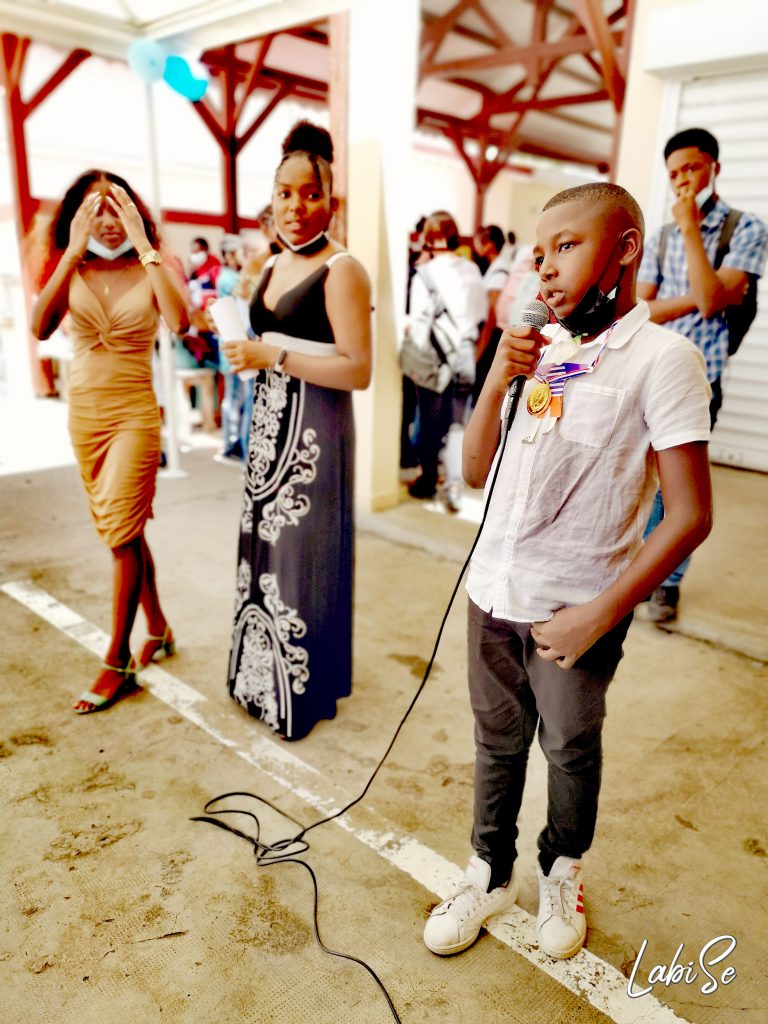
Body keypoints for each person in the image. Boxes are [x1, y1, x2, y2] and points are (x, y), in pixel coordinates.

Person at [423, 183, 712, 961]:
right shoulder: (545, 357)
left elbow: (690, 515)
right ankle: (490, 872)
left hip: (575, 612)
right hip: (492, 592)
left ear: (625, 249)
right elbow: (476, 472)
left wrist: (601, 613)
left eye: (567, 246)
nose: (545, 267)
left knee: (570, 749)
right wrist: (497, 376)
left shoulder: (664, 361)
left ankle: (561, 868)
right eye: (538, 252)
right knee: (497, 742)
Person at [221, 121, 372, 741]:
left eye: (311, 194)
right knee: (263, 555)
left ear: (331, 200)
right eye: (284, 193)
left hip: (314, 436)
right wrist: (247, 351)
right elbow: (265, 342)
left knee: (303, 558)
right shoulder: (272, 262)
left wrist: (273, 356)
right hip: (268, 429)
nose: (296, 206)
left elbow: (358, 370)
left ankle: (299, 696)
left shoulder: (343, 268)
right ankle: (256, 682)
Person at [30, 170, 189, 713]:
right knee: (128, 531)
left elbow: (180, 320)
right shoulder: (71, 265)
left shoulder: (151, 265)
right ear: (78, 216)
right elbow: (40, 326)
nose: (108, 220)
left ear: (134, 213)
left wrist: (146, 245)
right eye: (95, 209)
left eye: (117, 207)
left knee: (121, 535)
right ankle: (159, 628)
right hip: (85, 418)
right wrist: (72, 253)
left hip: (134, 417)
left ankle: (117, 658)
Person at [638, 127, 768, 622]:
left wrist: (691, 229)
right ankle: (639, 570)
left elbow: (714, 303)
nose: (682, 181)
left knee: (678, 489)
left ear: (714, 167)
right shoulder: (660, 237)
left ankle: (667, 583)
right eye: (674, 173)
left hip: (700, 377)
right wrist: (702, 293)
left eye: (691, 168)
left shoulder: (746, 228)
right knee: (641, 477)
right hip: (653, 369)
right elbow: (643, 310)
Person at [405, 211, 486, 511]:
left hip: (435, 356)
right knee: (455, 423)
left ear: (428, 238)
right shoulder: (472, 269)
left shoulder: (424, 275)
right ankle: (453, 487)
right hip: (465, 354)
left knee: (428, 421)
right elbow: (480, 315)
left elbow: (418, 325)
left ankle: (427, 480)